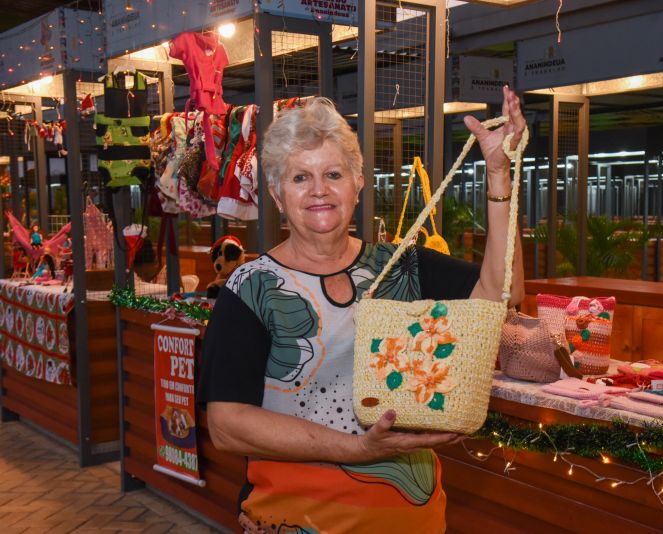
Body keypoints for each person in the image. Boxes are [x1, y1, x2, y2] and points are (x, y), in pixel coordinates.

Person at [198, 87, 526, 533]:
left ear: (358, 183)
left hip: (409, 517)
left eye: (333, 173)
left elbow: (502, 294)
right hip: (299, 519)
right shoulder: (251, 289)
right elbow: (227, 425)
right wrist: (357, 450)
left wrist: (499, 175)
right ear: (276, 195)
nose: (319, 191)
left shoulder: (403, 267)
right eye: (300, 178)